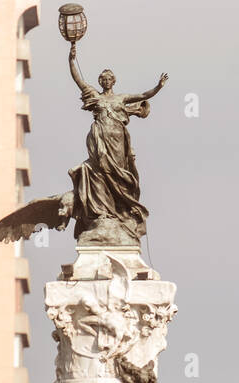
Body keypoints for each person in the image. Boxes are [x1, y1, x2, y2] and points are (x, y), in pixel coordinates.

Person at [67, 43, 168, 245]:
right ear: (100, 81)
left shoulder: (121, 98)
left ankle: (122, 211)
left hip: (118, 140)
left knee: (120, 175)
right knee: (99, 171)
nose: (105, 81)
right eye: (102, 79)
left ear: (113, 81)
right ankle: (103, 212)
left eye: (108, 78)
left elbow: (143, 96)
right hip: (100, 139)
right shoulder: (94, 96)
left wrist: (158, 87)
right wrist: (71, 59)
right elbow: (78, 79)